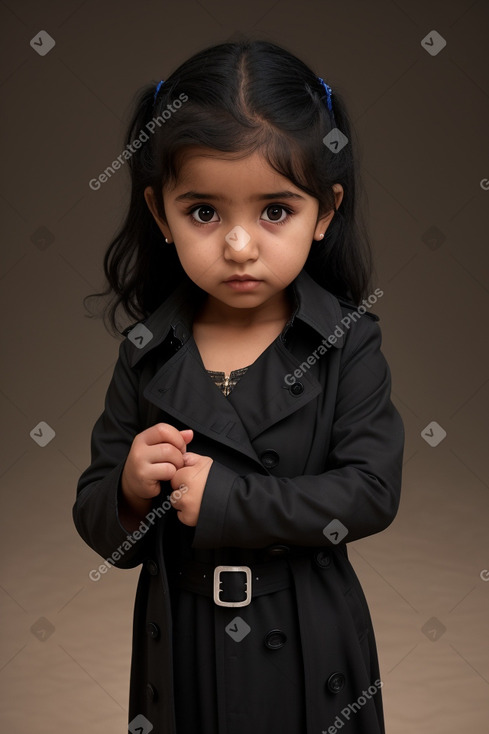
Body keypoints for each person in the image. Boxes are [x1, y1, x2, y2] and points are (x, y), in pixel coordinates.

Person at [73, 39, 405, 734]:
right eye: (204, 213)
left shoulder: (346, 343)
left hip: (307, 641)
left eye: (275, 211)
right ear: (161, 214)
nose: (240, 246)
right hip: (183, 640)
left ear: (324, 210)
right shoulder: (146, 351)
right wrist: (131, 490)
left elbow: (371, 492)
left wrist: (228, 499)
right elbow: (98, 518)